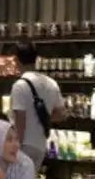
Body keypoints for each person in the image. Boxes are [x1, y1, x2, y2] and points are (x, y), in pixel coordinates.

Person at [9, 40, 65, 171]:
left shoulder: (20, 86)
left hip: (23, 145)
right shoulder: (51, 83)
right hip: (40, 145)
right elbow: (61, 114)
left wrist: (14, 149)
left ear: (16, 60)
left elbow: (20, 122)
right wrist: (42, 118)